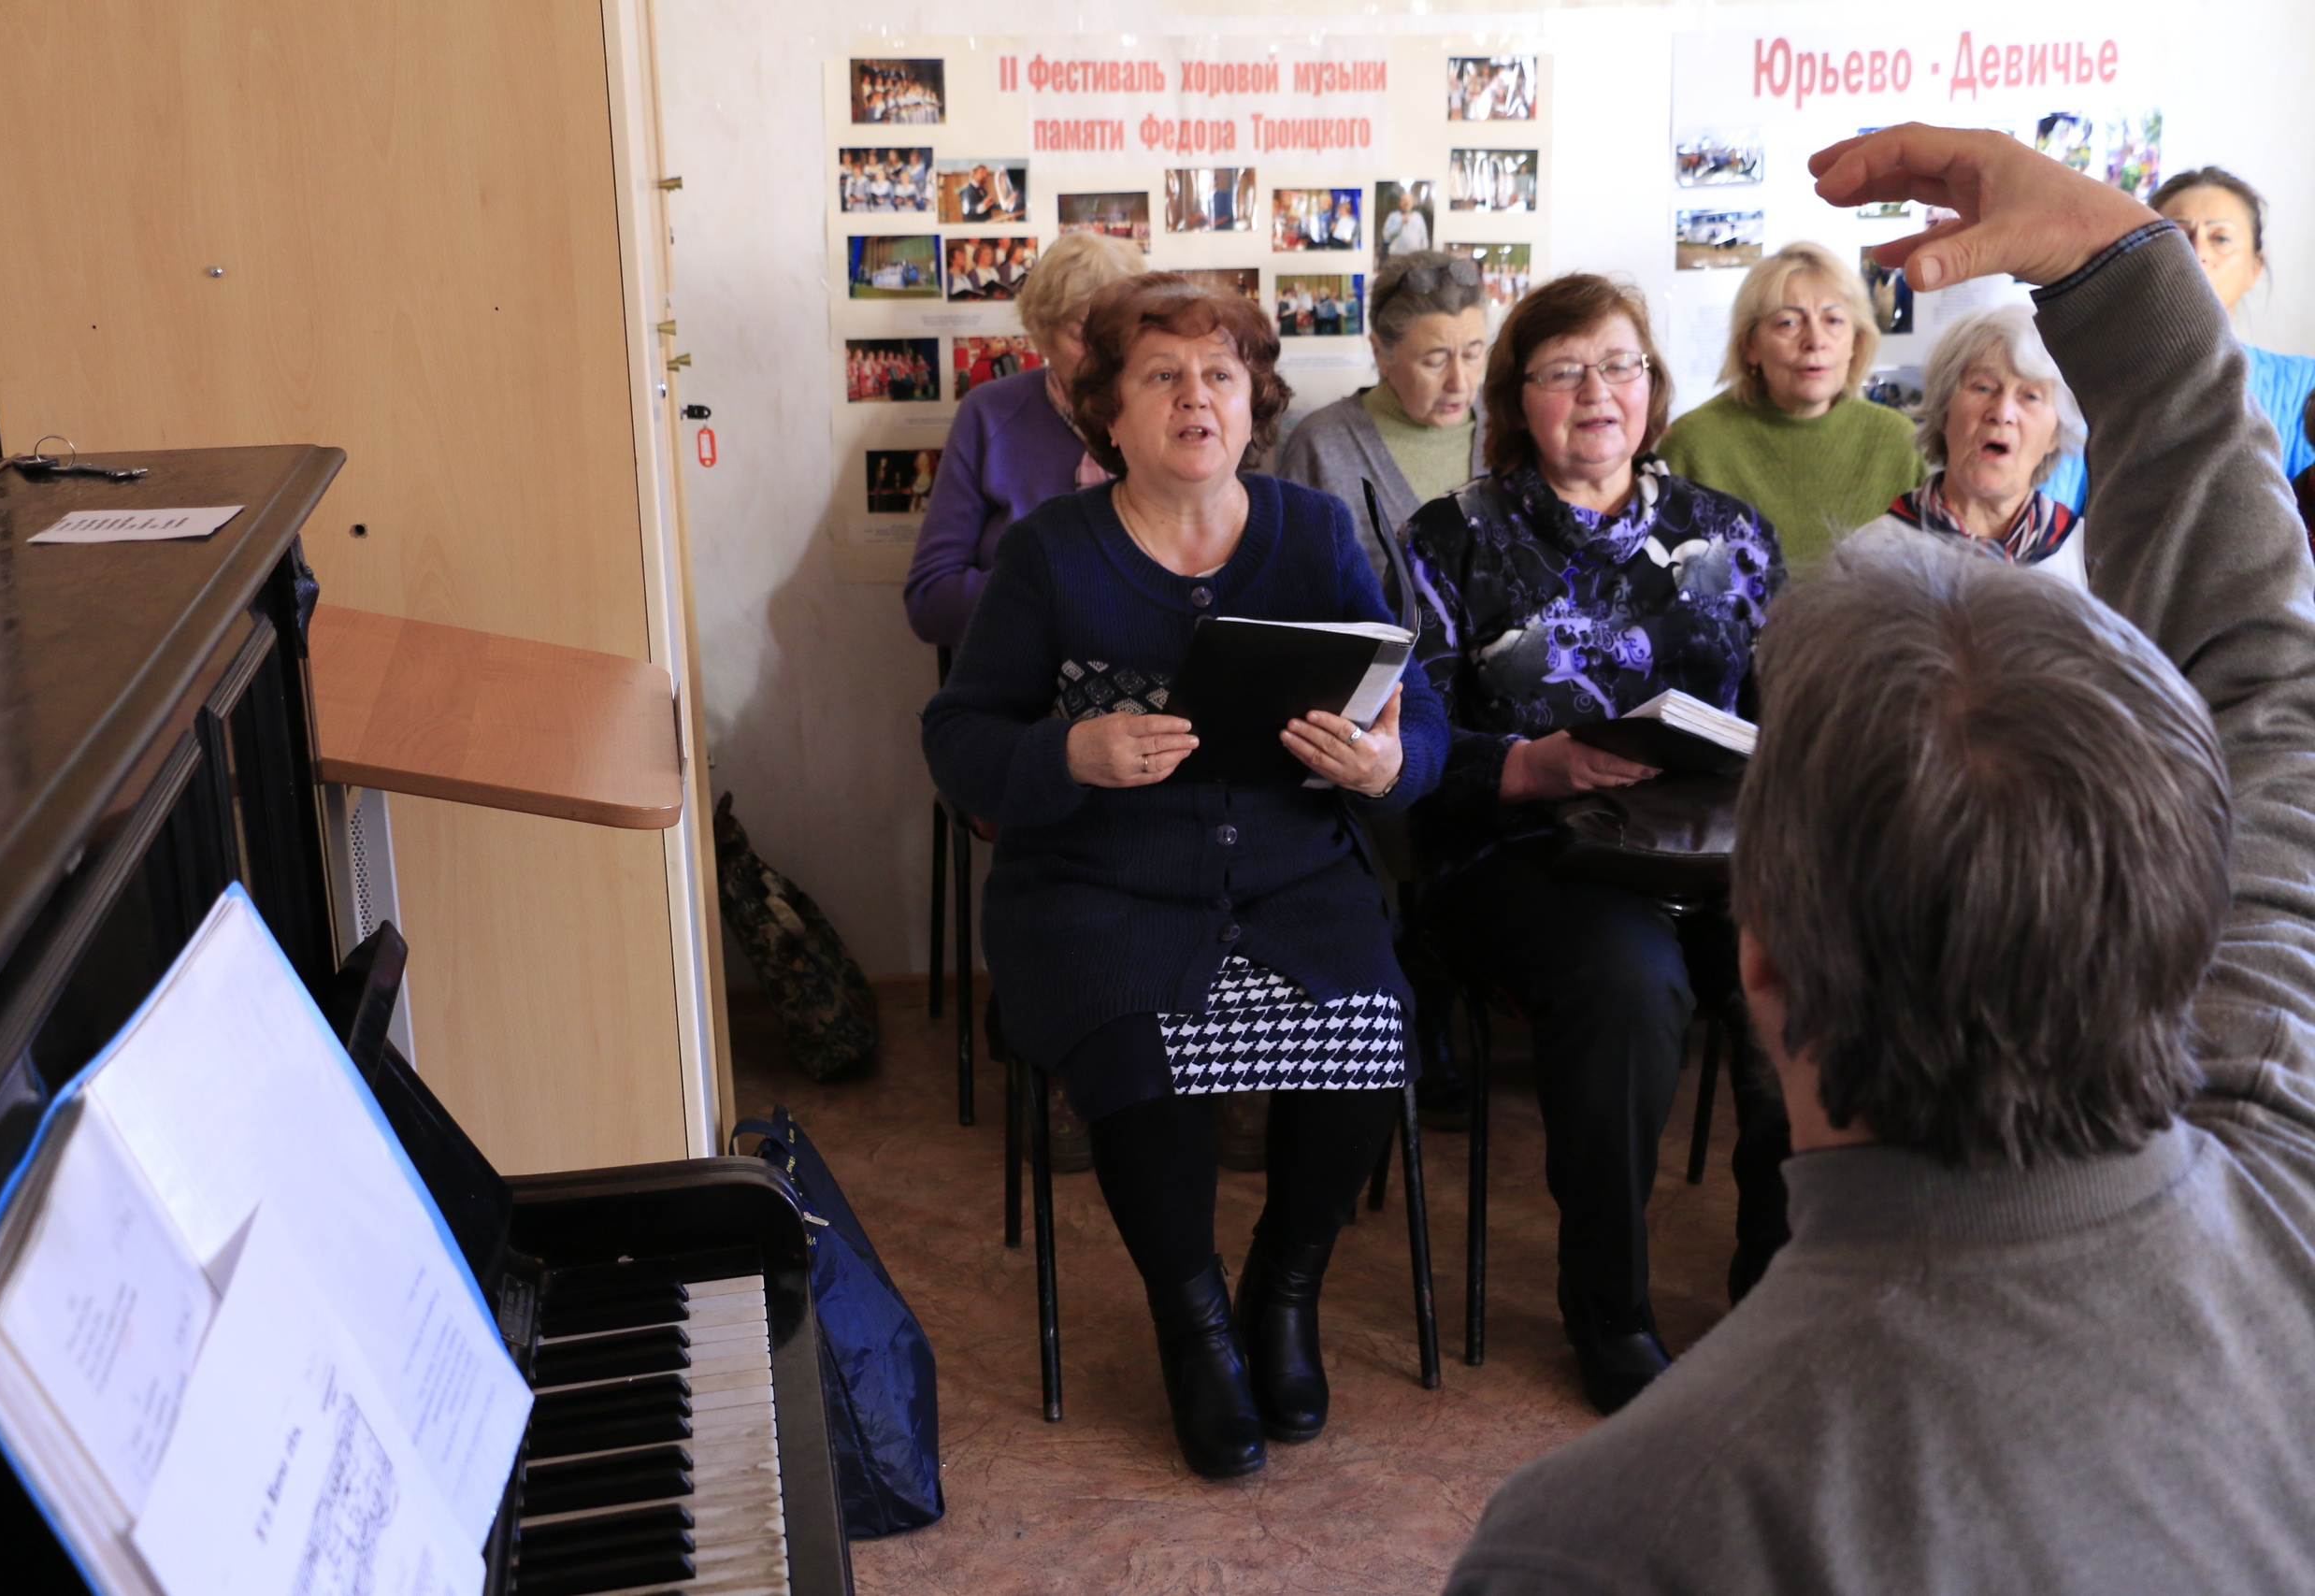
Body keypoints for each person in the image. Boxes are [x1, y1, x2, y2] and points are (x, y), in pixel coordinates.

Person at [1445, 123, 2315, 1595]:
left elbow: (2266, 701)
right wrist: (2128, 272)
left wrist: (2122, 274)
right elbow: (2271, 696)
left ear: (1761, 948)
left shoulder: (1615, 1533)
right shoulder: (2287, 1191)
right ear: (2185, 911)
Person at [922, 275, 1450, 1481]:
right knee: (1137, 1042)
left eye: (1217, 375)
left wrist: (1381, 765)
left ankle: (1282, 1291)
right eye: (1160, 377)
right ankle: (1194, 1320)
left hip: (1289, 879)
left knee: (1371, 1027)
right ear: (1106, 412)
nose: (1194, 398)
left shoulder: (1310, 535)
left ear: (1251, 400)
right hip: (1094, 885)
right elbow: (957, 738)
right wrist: (1064, 752)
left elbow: (1412, 712)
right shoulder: (1054, 553)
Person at [1404, 272, 1790, 1415]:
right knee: (1629, 987)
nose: (1596, 392)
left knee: (1818, 979)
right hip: (1529, 851)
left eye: (1619, 366)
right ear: (1517, 400)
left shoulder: (1728, 536)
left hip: (1715, 848)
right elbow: (1408, 747)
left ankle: (1778, 1296)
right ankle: (1609, 1312)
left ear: (1653, 387)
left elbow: (1788, 712)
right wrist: (1530, 764)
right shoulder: (1451, 538)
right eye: (1563, 371)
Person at [903, 231, 1144, 648]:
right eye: (1080, 332)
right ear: (1043, 333)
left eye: (1117, 333)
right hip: (1021, 682)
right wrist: (1062, 583)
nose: (1103, 355)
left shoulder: (1162, 413)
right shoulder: (990, 413)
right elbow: (931, 603)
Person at [2039, 166, 2315, 525]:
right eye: (2175, 236)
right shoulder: (2081, 382)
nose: (2195, 252)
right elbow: (2043, 532)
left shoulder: (2304, 384)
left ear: (2254, 268)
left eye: (2220, 238)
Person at [1657, 240, 1926, 575]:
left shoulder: (1898, 440)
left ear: (1856, 342)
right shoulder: (1693, 443)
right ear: (1750, 345)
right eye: (1788, 322)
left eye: (1834, 320)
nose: (1815, 340)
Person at [1273, 252, 1490, 581]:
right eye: (1434, 361)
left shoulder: (1510, 421)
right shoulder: (1321, 445)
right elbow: (1298, 594)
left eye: (1473, 355)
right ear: (1381, 355)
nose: (1459, 383)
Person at [1851, 304, 2088, 588]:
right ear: (1943, 410)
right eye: (1983, 387)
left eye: (2030, 396)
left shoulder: (2086, 554)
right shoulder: (1869, 554)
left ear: (2055, 434)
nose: (2002, 412)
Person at [1383, 188, 1430, 256]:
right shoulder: (1393, 216)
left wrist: (1424, 254)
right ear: (1400, 203)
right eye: (1404, 200)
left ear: (1412, 203)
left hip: (1415, 257)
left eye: (1409, 201)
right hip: (1397, 255)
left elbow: (1424, 237)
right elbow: (1386, 236)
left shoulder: (1418, 217)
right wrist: (1401, 224)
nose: (1407, 203)